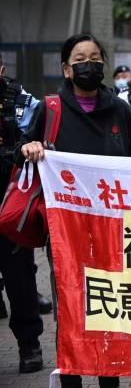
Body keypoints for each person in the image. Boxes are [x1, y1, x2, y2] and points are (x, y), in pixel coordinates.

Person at [16, 34, 131, 388]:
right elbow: (21, 146)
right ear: (67, 69)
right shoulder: (49, 109)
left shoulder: (118, 108)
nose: (89, 63)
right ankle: (71, 377)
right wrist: (30, 145)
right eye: (80, 58)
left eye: (95, 57)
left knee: (109, 305)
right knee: (71, 305)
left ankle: (109, 376)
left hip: (113, 227)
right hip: (66, 229)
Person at [0, 52, 45, 374]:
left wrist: (33, 146)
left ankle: (29, 343)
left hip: (10, 199)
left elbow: (38, 135)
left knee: (19, 275)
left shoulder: (21, 99)